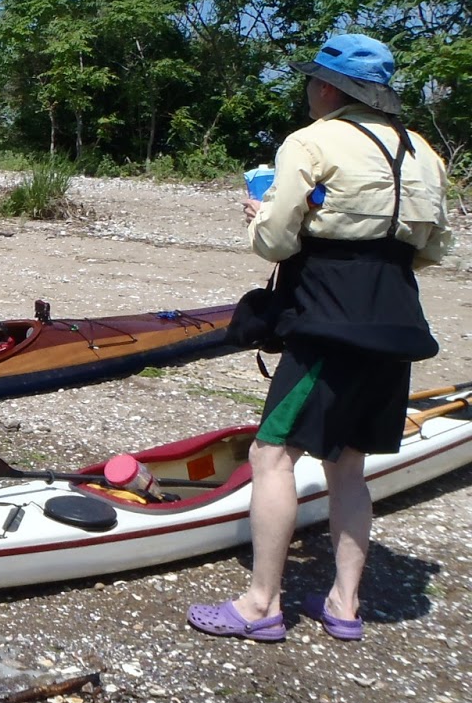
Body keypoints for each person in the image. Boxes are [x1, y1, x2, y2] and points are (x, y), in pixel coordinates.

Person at [188, 33, 453, 644]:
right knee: (349, 465)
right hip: (398, 318)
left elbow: (278, 241)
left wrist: (260, 222)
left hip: (328, 314)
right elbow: (434, 247)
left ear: (329, 88)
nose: (308, 90)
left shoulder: (310, 142)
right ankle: (344, 604)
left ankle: (260, 605)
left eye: (312, 81)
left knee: (272, 455)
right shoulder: (424, 152)